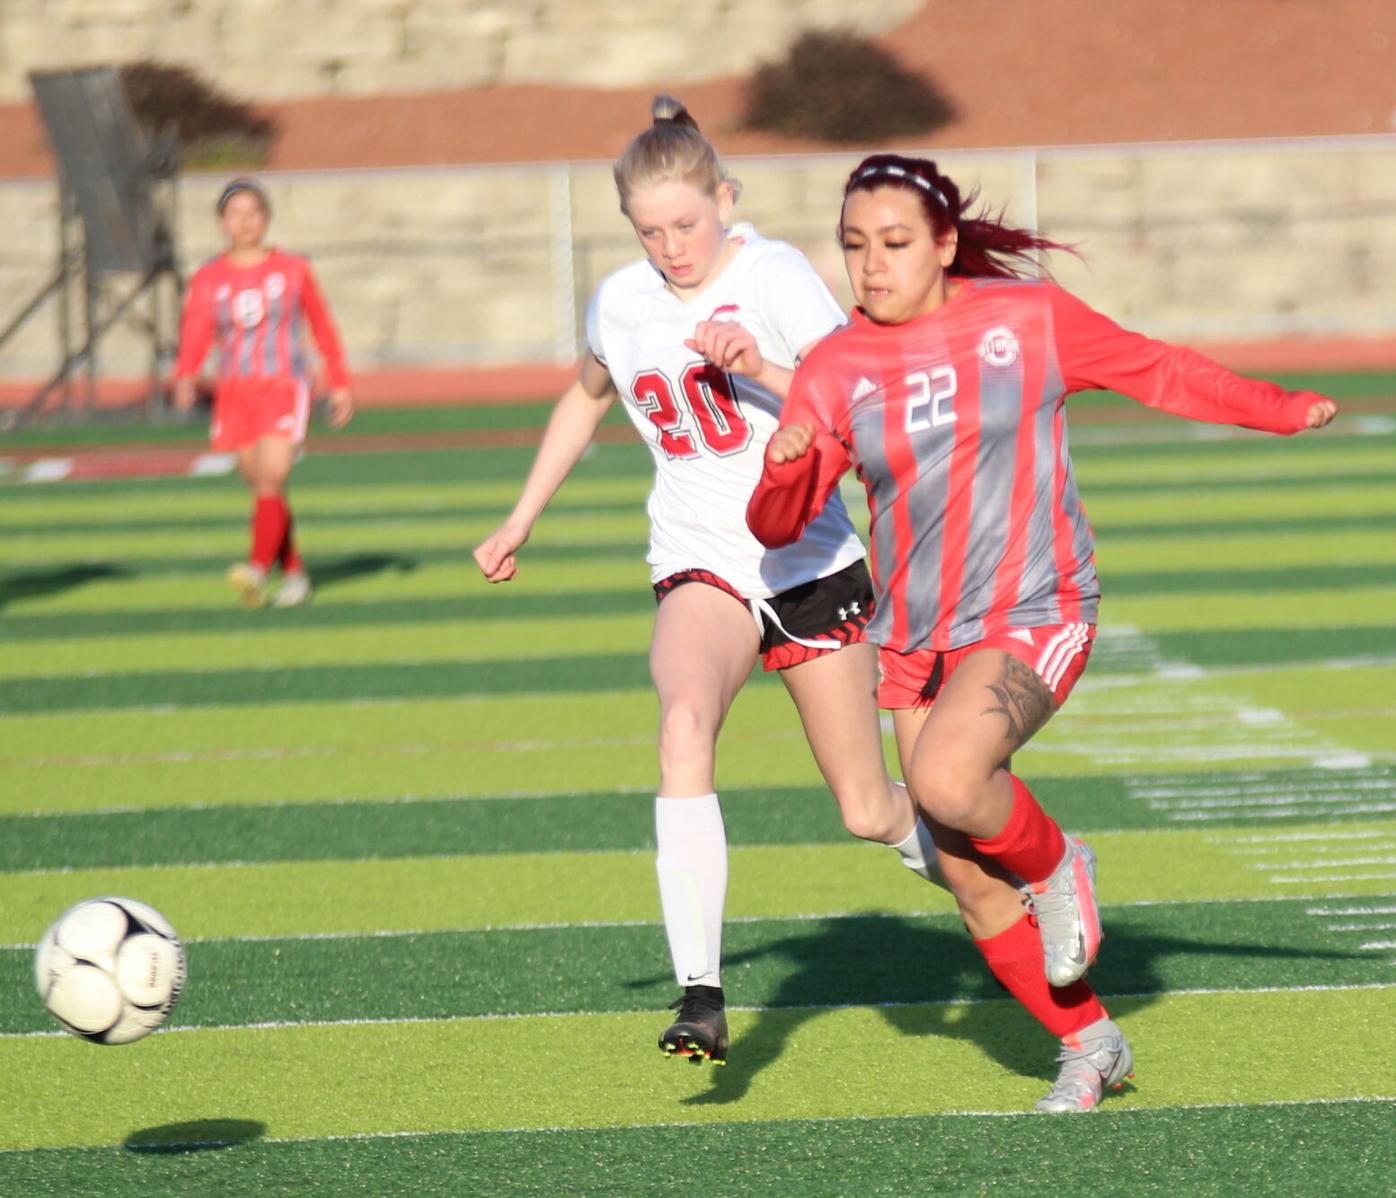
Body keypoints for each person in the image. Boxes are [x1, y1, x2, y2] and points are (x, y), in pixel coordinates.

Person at [747, 152, 1338, 1112]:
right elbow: (777, 527)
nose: (871, 265)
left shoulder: (1024, 321)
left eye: (894, 243)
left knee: (943, 779)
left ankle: (1063, 863)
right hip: (911, 642)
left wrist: (1276, 409)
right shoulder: (837, 366)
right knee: (974, 885)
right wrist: (785, 466)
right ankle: (1090, 1043)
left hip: (1036, 605)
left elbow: (1159, 369)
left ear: (944, 244)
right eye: (854, 246)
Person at [474, 101, 945, 1068]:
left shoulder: (772, 275)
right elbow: (586, 393)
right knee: (683, 725)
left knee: (868, 808)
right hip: (701, 560)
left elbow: (850, 394)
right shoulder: (622, 301)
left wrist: (758, 362)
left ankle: (1013, 877)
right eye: (649, 230)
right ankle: (702, 993)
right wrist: (521, 516)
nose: (670, 246)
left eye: (686, 224)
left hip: (809, 561)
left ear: (725, 199)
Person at [173, 177, 354, 608]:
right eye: (235, 214)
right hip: (235, 391)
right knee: (261, 486)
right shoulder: (209, 277)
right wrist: (186, 374)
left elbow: (322, 324)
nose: (245, 222)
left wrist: (339, 382)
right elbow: (197, 329)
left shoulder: (292, 269)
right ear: (222, 222)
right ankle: (293, 573)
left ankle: (256, 567)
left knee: (273, 474)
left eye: (253, 213)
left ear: (266, 219)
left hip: (283, 385)